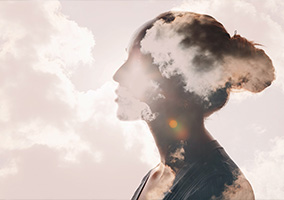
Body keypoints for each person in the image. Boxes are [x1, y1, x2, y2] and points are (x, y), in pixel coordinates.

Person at [113, 11, 275, 200]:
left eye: (137, 64)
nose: (117, 75)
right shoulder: (156, 175)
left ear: (181, 84)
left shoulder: (219, 186)